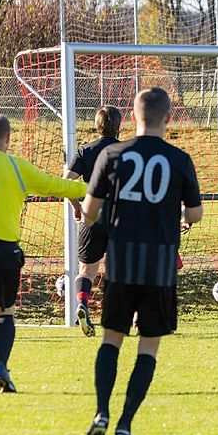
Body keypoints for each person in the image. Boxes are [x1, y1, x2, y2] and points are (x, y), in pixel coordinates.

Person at [82, 87, 203, 435]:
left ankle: (101, 413)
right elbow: (195, 213)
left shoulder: (113, 155)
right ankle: (125, 425)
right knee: (148, 346)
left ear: (133, 117)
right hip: (161, 264)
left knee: (111, 340)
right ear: (168, 118)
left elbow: (89, 211)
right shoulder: (180, 160)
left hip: (121, 262)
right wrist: (180, 213)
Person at [0, 114, 86, 393]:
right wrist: (94, 188)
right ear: (8, 139)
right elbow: (57, 186)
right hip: (4, 250)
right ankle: (1, 366)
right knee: (3, 314)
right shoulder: (17, 166)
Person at [63, 105, 124, 337]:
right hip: (119, 217)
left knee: (87, 271)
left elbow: (66, 182)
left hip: (92, 215)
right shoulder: (126, 151)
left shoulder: (84, 151)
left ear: (96, 126)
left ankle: (82, 304)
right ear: (119, 126)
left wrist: (77, 207)